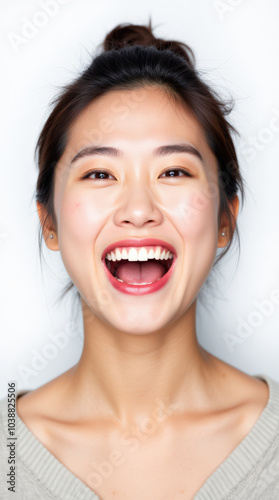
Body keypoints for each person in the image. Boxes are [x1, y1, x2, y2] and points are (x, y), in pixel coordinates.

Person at [1, 20, 279, 500]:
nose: (137, 210)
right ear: (49, 221)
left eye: (173, 170)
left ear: (224, 219)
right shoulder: (8, 453)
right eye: (100, 173)